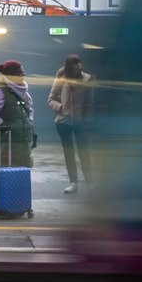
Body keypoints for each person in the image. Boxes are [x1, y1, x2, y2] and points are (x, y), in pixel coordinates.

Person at [47, 54, 95, 194]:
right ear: (69, 67)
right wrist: (60, 107)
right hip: (63, 122)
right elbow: (50, 99)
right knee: (69, 153)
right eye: (75, 65)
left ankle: (90, 182)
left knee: (84, 152)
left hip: (81, 122)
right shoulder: (60, 79)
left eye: (80, 64)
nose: (79, 67)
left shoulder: (87, 80)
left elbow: (89, 103)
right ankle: (73, 183)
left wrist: (88, 121)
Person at [0, 60, 34, 169]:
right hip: (6, 140)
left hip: (23, 140)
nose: (23, 76)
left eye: (23, 73)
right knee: (6, 167)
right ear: (10, 75)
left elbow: (30, 109)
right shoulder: (0, 91)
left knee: (23, 168)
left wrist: (29, 122)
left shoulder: (24, 92)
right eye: (19, 73)